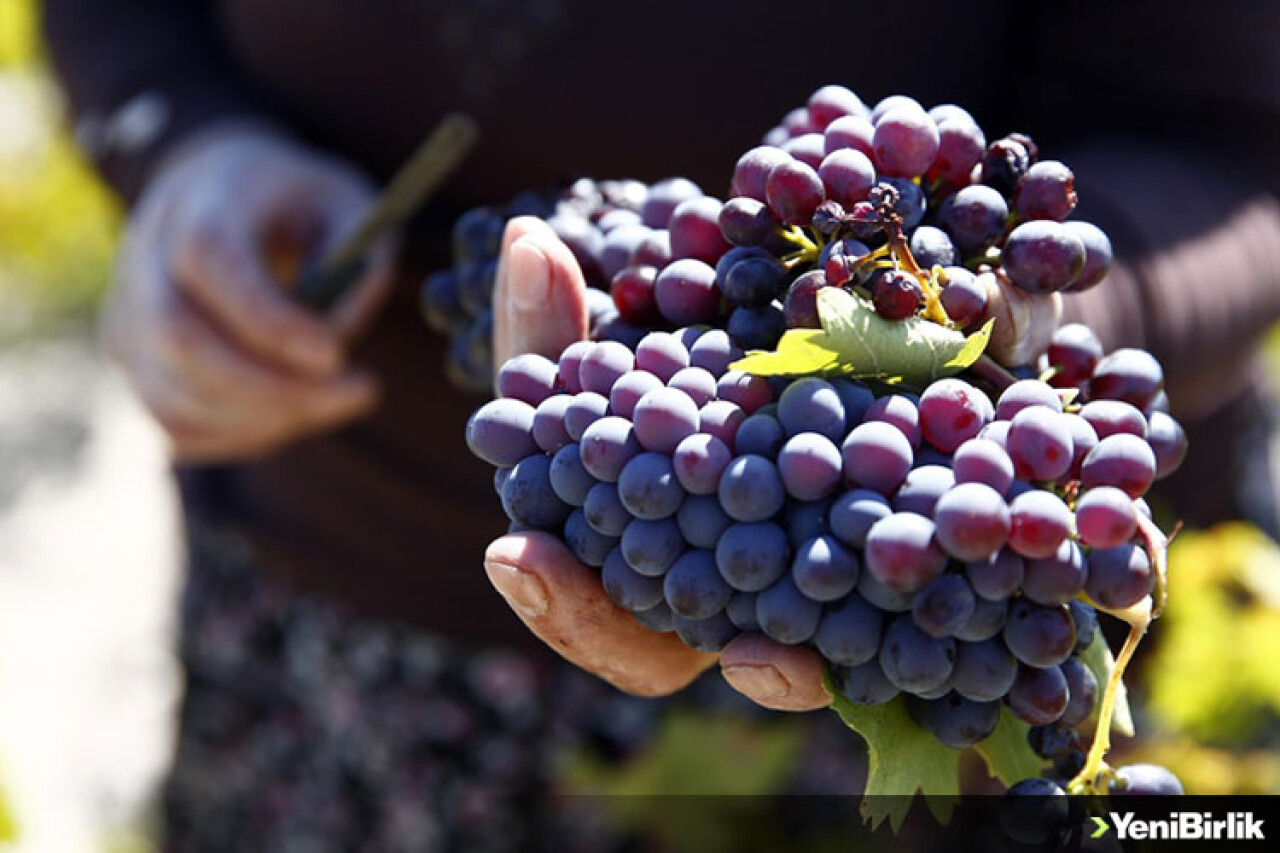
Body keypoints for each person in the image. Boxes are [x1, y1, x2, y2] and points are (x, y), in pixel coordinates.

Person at [41, 0, 1280, 848]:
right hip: (345, 614)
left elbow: (1229, 143)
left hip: (959, 632)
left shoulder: (981, 512)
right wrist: (179, 139)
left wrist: (1002, 322)